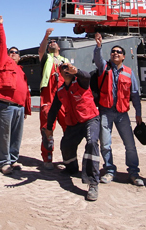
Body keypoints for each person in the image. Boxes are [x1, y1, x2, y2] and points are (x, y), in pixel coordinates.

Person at [92, 33, 145, 186]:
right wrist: (99, 46)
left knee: (130, 145)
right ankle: (109, 171)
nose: (115, 53)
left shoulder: (129, 72)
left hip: (122, 114)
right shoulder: (104, 68)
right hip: (106, 112)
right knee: (106, 144)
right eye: (113, 51)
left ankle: (134, 173)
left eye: (119, 52)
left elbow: (135, 94)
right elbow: (97, 59)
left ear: (123, 57)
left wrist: (138, 113)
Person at [44, 63, 102, 201]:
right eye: (63, 69)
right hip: (74, 124)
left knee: (92, 143)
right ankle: (72, 168)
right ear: (60, 74)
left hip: (90, 119)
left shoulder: (81, 82)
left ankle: (92, 182)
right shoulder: (60, 91)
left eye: (68, 68)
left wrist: (77, 71)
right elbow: (53, 110)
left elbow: (86, 76)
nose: (66, 70)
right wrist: (48, 128)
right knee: (66, 145)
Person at [0, 15, 31, 175]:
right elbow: (2, 44)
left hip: (19, 108)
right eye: (11, 52)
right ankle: (3, 162)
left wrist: (26, 110)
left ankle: (13, 160)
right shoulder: (3, 61)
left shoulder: (21, 71)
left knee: (16, 136)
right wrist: (1, 26)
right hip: (4, 105)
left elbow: (26, 92)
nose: (13, 53)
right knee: (3, 135)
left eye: (16, 52)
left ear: (19, 57)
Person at [38, 28, 68, 169]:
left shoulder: (65, 60)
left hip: (63, 98)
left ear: (59, 47)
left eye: (55, 42)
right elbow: (41, 51)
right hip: (48, 97)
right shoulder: (46, 58)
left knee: (69, 129)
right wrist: (46, 36)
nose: (52, 43)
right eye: (50, 42)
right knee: (47, 130)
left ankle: (68, 157)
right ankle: (47, 157)